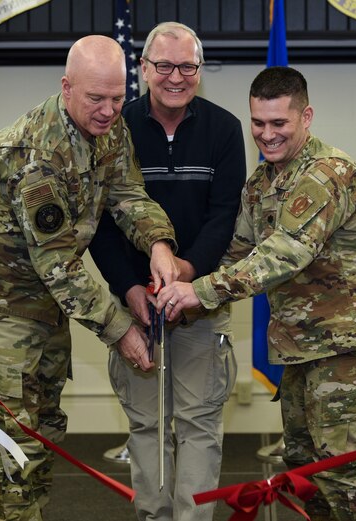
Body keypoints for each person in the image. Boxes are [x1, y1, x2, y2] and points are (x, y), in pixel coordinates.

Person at [0, 35, 179, 521]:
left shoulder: (110, 129)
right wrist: (120, 332)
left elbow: (128, 196)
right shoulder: (32, 152)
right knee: (13, 438)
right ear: (66, 86)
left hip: (50, 299)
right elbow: (58, 264)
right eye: (96, 98)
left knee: (45, 427)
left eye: (118, 98)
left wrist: (159, 244)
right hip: (1, 303)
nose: (109, 110)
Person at [156, 66, 356, 521]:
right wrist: (177, 285)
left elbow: (285, 254)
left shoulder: (327, 174)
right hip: (299, 347)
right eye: (258, 123)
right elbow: (238, 253)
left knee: (344, 475)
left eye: (279, 123)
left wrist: (199, 292)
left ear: (306, 116)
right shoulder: (262, 183)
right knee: (305, 468)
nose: (267, 135)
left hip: (347, 349)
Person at [87, 22, 246, 521]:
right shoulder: (116, 126)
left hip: (200, 304)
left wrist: (187, 272)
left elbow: (226, 215)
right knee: (147, 425)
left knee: (199, 425)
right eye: (164, 66)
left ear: (199, 70)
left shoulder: (225, 129)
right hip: (135, 307)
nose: (175, 77)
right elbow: (102, 224)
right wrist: (131, 288)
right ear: (143, 69)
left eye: (187, 67)